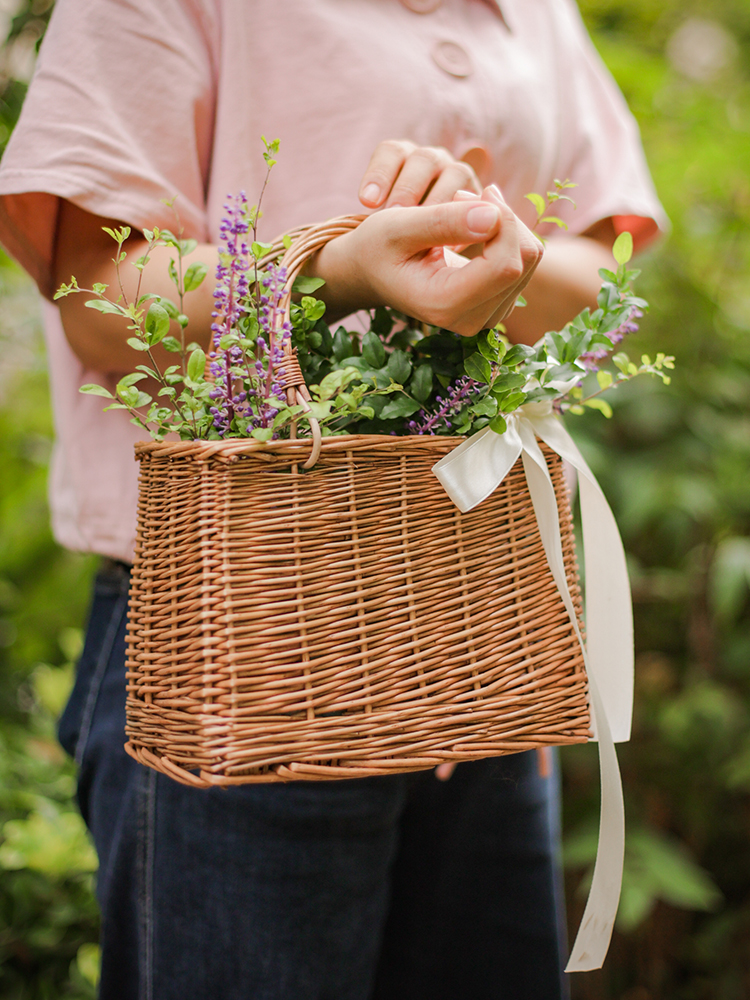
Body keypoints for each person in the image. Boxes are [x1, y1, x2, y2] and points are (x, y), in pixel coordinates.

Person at [0, 1, 666, 997]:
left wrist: (491, 249)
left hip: (481, 625)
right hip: (238, 630)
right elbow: (101, 292)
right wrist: (334, 267)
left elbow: (603, 260)